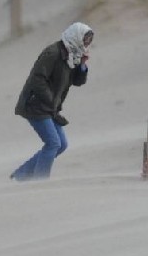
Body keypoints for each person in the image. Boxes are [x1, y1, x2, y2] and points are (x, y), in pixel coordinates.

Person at [11, 22, 94, 181]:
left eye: (88, 40)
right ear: (75, 36)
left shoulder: (72, 56)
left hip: (50, 108)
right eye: (85, 39)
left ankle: (21, 175)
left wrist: (82, 65)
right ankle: (40, 181)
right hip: (35, 105)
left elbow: (77, 81)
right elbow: (37, 79)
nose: (86, 43)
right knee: (53, 144)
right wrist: (50, 100)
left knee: (61, 145)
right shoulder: (53, 53)